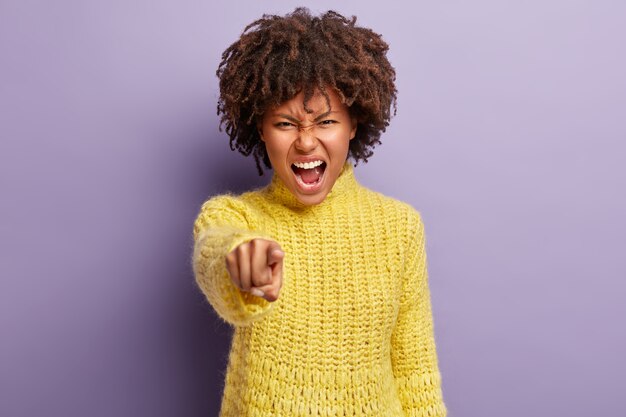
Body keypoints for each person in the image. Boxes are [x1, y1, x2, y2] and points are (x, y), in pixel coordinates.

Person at [192, 8, 447, 416]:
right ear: (261, 129)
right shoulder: (237, 217)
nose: (307, 143)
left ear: (353, 124)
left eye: (325, 121)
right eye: (285, 123)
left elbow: (416, 373)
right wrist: (239, 258)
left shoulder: (400, 227)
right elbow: (214, 250)